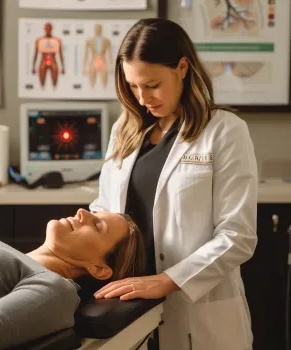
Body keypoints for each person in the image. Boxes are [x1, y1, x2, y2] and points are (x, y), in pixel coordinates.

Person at [90, 18, 258, 350]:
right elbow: (107, 209)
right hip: (131, 310)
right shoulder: (125, 131)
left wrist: (167, 281)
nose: (141, 98)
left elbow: (238, 236)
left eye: (152, 84)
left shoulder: (225, 131)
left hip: (197, 311)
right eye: (133, 86)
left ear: (182, 67)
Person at [0, 208, 145, 350]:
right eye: (92, 214)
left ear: (99, 269)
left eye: (97, 226)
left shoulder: (56, 289)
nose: (81, 212)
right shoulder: (10, 254)